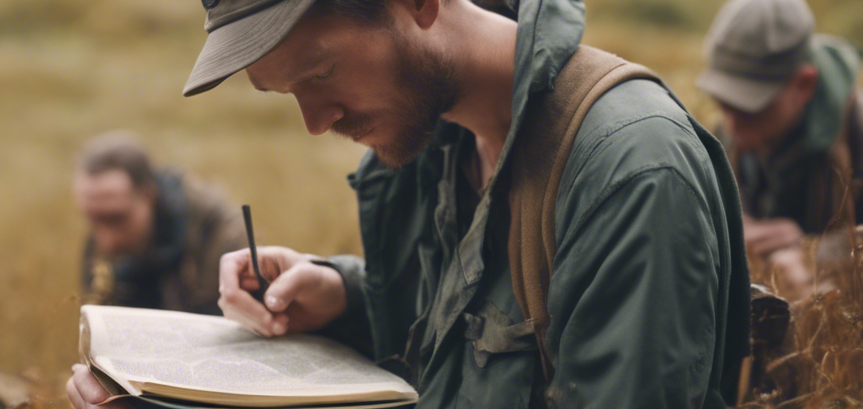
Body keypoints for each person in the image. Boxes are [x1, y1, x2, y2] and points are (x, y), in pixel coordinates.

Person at [67, 0, 751, 407]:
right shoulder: (437, 146)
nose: (314, 119)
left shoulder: (630, 170)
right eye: (286, 93)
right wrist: (347, 296)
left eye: (320, 72)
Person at [696, 0, 863, 300]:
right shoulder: (730, 128)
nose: (733, 127)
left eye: (752, 108)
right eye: (725, 104)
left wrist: (815, 256)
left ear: (804, 85)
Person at [75, 132, 248, 315]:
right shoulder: (100, 235)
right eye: (93, 219)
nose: (106, 241)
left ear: (148, 196)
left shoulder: (220, 236)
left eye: (117, 219)